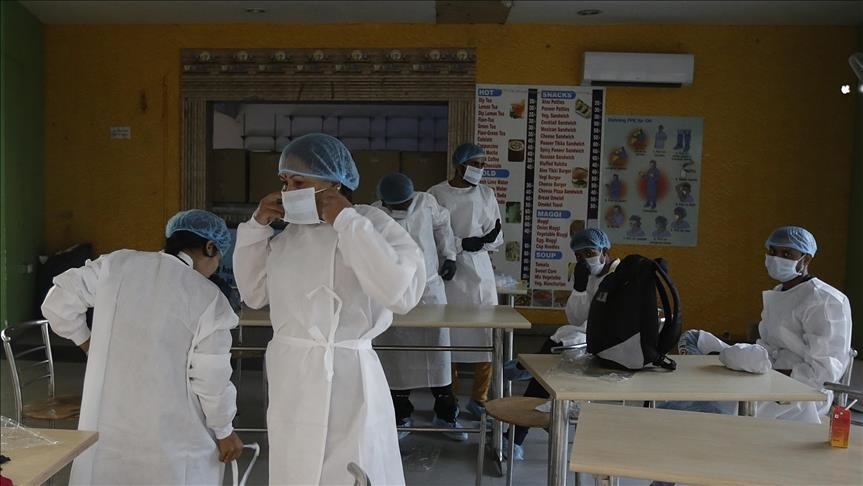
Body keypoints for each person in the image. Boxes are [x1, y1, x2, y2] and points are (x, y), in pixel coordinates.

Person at [233, 133, 425, 486]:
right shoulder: (288, 237)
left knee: (352, 467)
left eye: (299, 182)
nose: (288, 191)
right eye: (285, 182)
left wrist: (347, 222)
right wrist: (255, 228)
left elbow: (400, 293)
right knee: (297, 467)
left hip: (349, 374)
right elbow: (254, 293)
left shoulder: (372, 223)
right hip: (293, 373)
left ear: (334, 183)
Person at [41, 209, 244, 485]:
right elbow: (212, 381)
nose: (213, 271)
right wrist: (224, 431)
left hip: (108, 427)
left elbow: (57, 303)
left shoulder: (117, 264)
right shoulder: (209, 298)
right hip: (172, 442)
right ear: (210, 247)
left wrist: (88, 343)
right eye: (217, 261)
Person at [650, 226, 853, 486]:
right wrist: (741, 358)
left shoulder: (825, 301)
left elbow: (821, 374)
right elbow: (767, 345)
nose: (777, 258)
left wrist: (765, 375)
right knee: (684, 383)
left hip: (798, 394)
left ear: (806, 259)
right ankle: (664, 474)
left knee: (696, 415)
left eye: (787, 254)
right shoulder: (780, 293)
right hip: (766, 375)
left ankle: (670, 477)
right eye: (772, 251)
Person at [504, 229, 620, 460]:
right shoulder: (591, 277)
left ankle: (527, 371)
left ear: (604, 250)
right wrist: (579, 288)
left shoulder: (620, 276)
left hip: (611, 345)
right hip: (587, 338)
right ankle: (518, 431)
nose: (584, 259)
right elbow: (576, 319)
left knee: (553, 360)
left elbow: (610, 323)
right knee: (561, 345)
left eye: (589, 253)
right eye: (579, 255)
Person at [371, 172, 468, 441]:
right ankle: (401, 415)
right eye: (393, 205)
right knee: (395, 355)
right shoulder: (375, 214)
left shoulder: (426, 203)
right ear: (383, 201)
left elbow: (443, 224)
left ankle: (446, 415)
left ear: (411, 196)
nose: (400, 209)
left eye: (403, 203)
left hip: (428, 289)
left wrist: (449, 255)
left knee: (438, 351)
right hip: (393, 291)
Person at [428, 143, 503, 419]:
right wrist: (460, 244)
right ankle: (450, 400)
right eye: (476, 164)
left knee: (485, 336)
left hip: (480, 271)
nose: (480, 170)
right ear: (459, 166)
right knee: (450, 338)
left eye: (483, 165)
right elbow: (431, 233)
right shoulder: (436, 193)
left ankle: (479, 398)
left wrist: (484, 241)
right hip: (450, 269)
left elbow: (496, 235)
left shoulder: (486, 194)